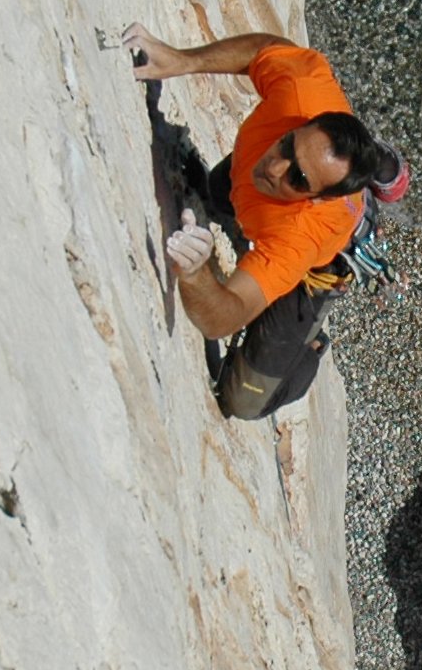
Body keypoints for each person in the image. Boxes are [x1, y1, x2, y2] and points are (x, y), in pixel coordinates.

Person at [127, 23, 403, 420]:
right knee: (220, 189)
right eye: (288, 143)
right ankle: (365, 166)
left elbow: (224, 317)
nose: (274, 167)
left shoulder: (298, 239)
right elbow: (266, 49)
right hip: (265, 193)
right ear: (302, 123)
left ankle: (310, 348)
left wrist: (195, 274)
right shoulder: (301, 90)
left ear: (318, 197)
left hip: (321, 264)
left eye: (298, 178)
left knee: (243, 400)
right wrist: (184, 61)